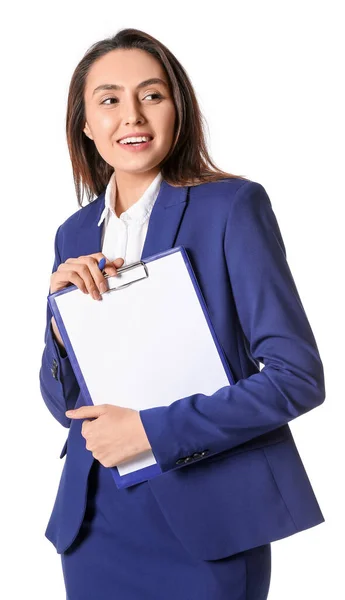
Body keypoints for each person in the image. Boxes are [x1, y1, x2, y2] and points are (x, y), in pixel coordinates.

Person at [39, 27, 325, 600]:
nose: (132, 117)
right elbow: (65, 406)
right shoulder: (73, 233)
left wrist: (149, 431)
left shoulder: (231, 208)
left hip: (208, 524)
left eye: (152, 95)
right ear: (85, 125)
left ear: (178, 108)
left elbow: (298, 379)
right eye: (109, 100)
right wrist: (60, 334)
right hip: (96, 523)